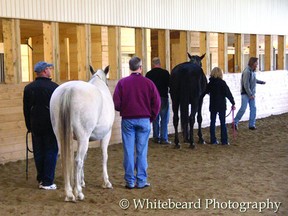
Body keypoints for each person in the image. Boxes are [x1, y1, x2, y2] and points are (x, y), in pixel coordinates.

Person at [113, 56, 161, 189]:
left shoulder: (122, 83)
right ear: (141, 67)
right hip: (144, 119)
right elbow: (157, 103)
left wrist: (125, 109)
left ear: (130, 68)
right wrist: (151, 117)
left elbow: (116, 103)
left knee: (128, 151)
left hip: (128, 119)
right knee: (142, 151)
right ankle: (141, 180)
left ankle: (129, 181)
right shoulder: (148, 83)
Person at [23, 61, 59, 190]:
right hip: (50, 124)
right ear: (44, 71)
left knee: (39, 152)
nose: (51, 70)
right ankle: (48, 181)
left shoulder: (28, 88)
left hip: (35, 125)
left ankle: (41, 178)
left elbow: (26, 110)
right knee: (51, 151)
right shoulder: (54, 87)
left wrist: (29, 126)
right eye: (49, 68)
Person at [202, 67, 235, 145]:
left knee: (212, 122)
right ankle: (224, 141)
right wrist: (233, 102)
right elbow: (228, 93)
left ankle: (213, 140)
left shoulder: (210, 83)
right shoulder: (222, 83)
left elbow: (204, 92)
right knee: (223, 123)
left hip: (213, 105)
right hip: (221, 105)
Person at [233, 57, 266, 130]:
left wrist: (261, 82)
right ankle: (235, 122)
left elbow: (253, 80)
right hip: (246, 94)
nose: (257, 64)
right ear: (253, 63)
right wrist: (250, 94)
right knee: (243, 109)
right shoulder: (247, 71)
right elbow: (246, 84)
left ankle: (252, 124)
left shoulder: (252, 71)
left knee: (253, 109)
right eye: (256, 63)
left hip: (251, 94)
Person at [146, 57, 171, 144]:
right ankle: (164, 138)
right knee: (164, 118)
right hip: (163, 97)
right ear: (160, 63)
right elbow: (170, 85)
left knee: (155, 118)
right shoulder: (165, 73)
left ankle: (156, 137)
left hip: (153, 99)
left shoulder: (148, 74)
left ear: (153, 64)